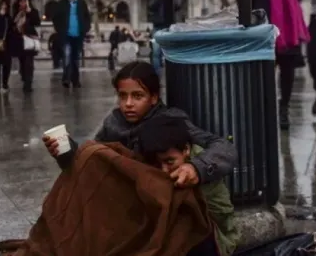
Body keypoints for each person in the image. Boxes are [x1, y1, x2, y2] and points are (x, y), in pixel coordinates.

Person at [43, 61, 237, 187]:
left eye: (137, 96)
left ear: (153, 97)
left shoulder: (171, 121)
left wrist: (196, 168)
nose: (128, 104)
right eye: (122, 96)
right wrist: (66, 152)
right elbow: (92, 162)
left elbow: (224, 147)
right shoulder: (114, 122)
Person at [137, 116, 240, 256]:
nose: (164, 170)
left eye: (170, 161)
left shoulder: (197, 167)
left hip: (215, 241)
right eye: (158, 163)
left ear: (186, 150)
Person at [254, 0, 309, 130]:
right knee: (266, 71)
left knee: (288, 71)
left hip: (290, 27)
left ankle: (284, 108)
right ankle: (265, 110)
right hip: (269, 25)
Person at [51, 0, 91, 88]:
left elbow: (87, 17)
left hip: (78, 35)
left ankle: (76, 80)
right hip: (66, 35)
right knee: (67, 56)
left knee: (76, 58)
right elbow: (55, 19)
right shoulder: (61, 4)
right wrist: (60, 30)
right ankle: (66, 78)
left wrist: (86, 29)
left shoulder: (82, 3)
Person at [10, 0, 41, 93]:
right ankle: (24, 76)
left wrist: (29, 12)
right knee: (22, 61)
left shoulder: (33, 11)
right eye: (21, 1)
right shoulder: (16, 12)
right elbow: (13, 24)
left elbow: (37, 22)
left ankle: (28, 83)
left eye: (25, 1)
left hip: (29, 38)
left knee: (29, 62)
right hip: (19, 40)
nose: (23, 3)